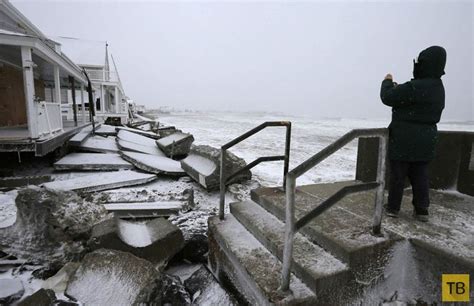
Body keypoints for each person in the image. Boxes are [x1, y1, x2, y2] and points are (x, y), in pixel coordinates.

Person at [380, 46, 446, 222]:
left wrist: (387, 82)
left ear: (424, 64)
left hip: (404, 140)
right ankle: (422, 209)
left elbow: (388, 97)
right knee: (420, 176)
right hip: (426, 140)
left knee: (398, 176)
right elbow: (417, 102)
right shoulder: (439, 88)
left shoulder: (415, 87)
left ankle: (393, 208)